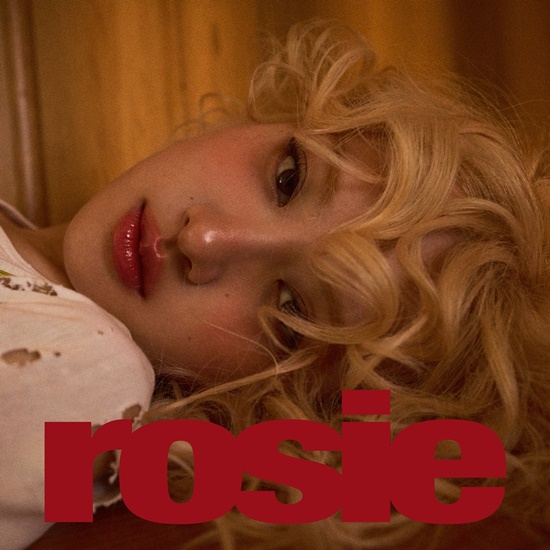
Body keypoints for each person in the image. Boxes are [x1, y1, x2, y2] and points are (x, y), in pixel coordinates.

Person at [2, 20, 550, 550]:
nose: (204, 239)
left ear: (276, 406)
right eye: (290, 178)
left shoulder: (84, 379)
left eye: (291, 310)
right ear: (284, 113)